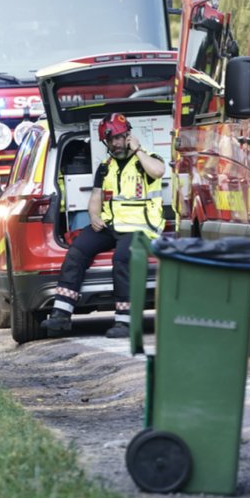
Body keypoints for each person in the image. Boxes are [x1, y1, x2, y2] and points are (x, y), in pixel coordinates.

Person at [42, 113, 166, 338]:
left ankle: (125, 322)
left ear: (128, 136)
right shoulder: (105, 167)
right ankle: (61, 314)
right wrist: (94, 216)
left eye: (119, 138)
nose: (116, 143)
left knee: (122, 258)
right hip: (111, 226)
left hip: (142, 228)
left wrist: (138, 150)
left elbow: (158, 171)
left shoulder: (146, 160)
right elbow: (96, 197)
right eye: (111, 140)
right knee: (77, 250)